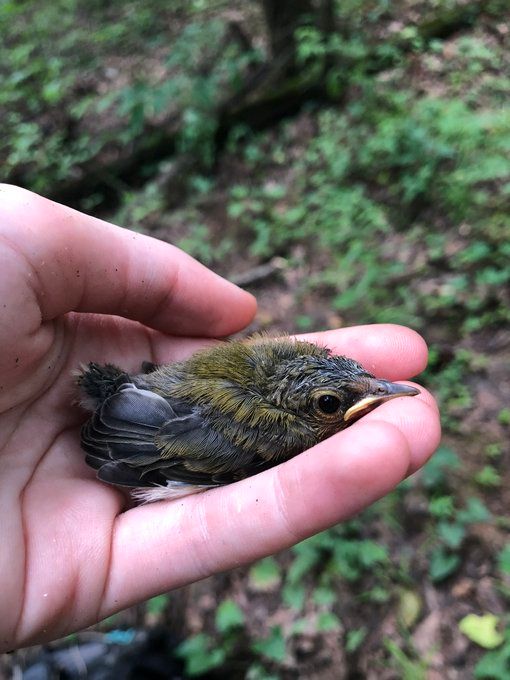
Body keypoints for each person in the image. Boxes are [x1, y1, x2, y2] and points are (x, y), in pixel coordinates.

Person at [0, 184, 440, 652]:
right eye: (329, 405)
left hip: (144, 393)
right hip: (132, 423)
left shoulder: (271, 368)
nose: (382, 391)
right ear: (301, 412)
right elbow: (154, 451)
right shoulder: (280, 434)